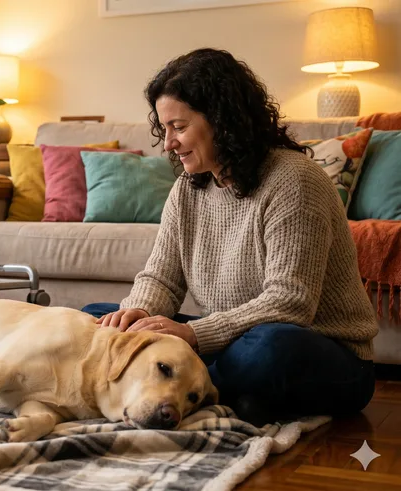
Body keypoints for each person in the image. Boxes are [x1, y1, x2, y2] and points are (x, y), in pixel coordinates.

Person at [81, 48, 377, 426]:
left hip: (326, 354)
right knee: (98, 321)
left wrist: (191, 333)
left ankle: (173, 389)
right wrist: (137, 314)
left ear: (222, 121)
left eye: (179, 126)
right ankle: (218, 394)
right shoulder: (188, 188)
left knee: (268, 350)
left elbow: (290, 304)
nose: (168, 143)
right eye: (165, 128)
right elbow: (161, 278)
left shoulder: (295, 180)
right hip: (229, 343)